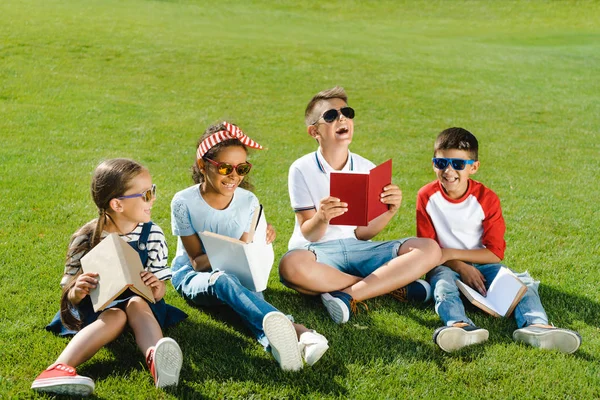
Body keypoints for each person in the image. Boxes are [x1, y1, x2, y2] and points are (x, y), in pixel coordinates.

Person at [170, 121, 329, 371]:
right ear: (203, 165)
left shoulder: (249, 201)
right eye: (225, 168)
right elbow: (197, 261)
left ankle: (279, 350)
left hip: (239, 274)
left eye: (242, 168)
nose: (235, 176)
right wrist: (239, 246)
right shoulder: (183, 202)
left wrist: (258, 239)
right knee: (224, 280)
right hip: (194, 277)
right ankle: (300, 331)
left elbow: (247, 249)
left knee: (246, 296)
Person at [278, 86, 442, 324]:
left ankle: (346, 294)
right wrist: (322, 218)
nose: (342, 118)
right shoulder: (301, 168)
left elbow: (363, 234)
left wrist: (389, 211)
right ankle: (386, 284)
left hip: (357, 248)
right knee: (290, 267)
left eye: (347, 112)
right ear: (314, 131)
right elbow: (308, 233)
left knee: (430, 249)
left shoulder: (367, 167)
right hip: (316, 253)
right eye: (331, 116)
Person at [417, 127, 581, 353]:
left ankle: (537, 326)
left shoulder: (487, 198)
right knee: (443, 286)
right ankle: (459, 326)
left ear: (473, 167)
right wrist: (459, 266)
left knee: (522, 286)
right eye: (441, 163)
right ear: (433, 163)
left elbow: (495, 253)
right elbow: (428, 248)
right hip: (444, 265)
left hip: (484, 263)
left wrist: (453, 254)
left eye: (458, 164)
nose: (448, 171)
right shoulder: (426, 196)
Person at [32, 159, 187, 396]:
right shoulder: (86, 236)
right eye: (145, 194)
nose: (152, 199)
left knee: (136, 303)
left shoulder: (152, 233)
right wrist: (78, 290)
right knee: (115, 315)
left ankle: (157, 360)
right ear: (117, 204)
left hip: (141, 305)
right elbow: (70, 295)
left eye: (152, 190)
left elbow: (159, 290)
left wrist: (156, 287)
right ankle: (58, 368)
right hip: (97, 310)